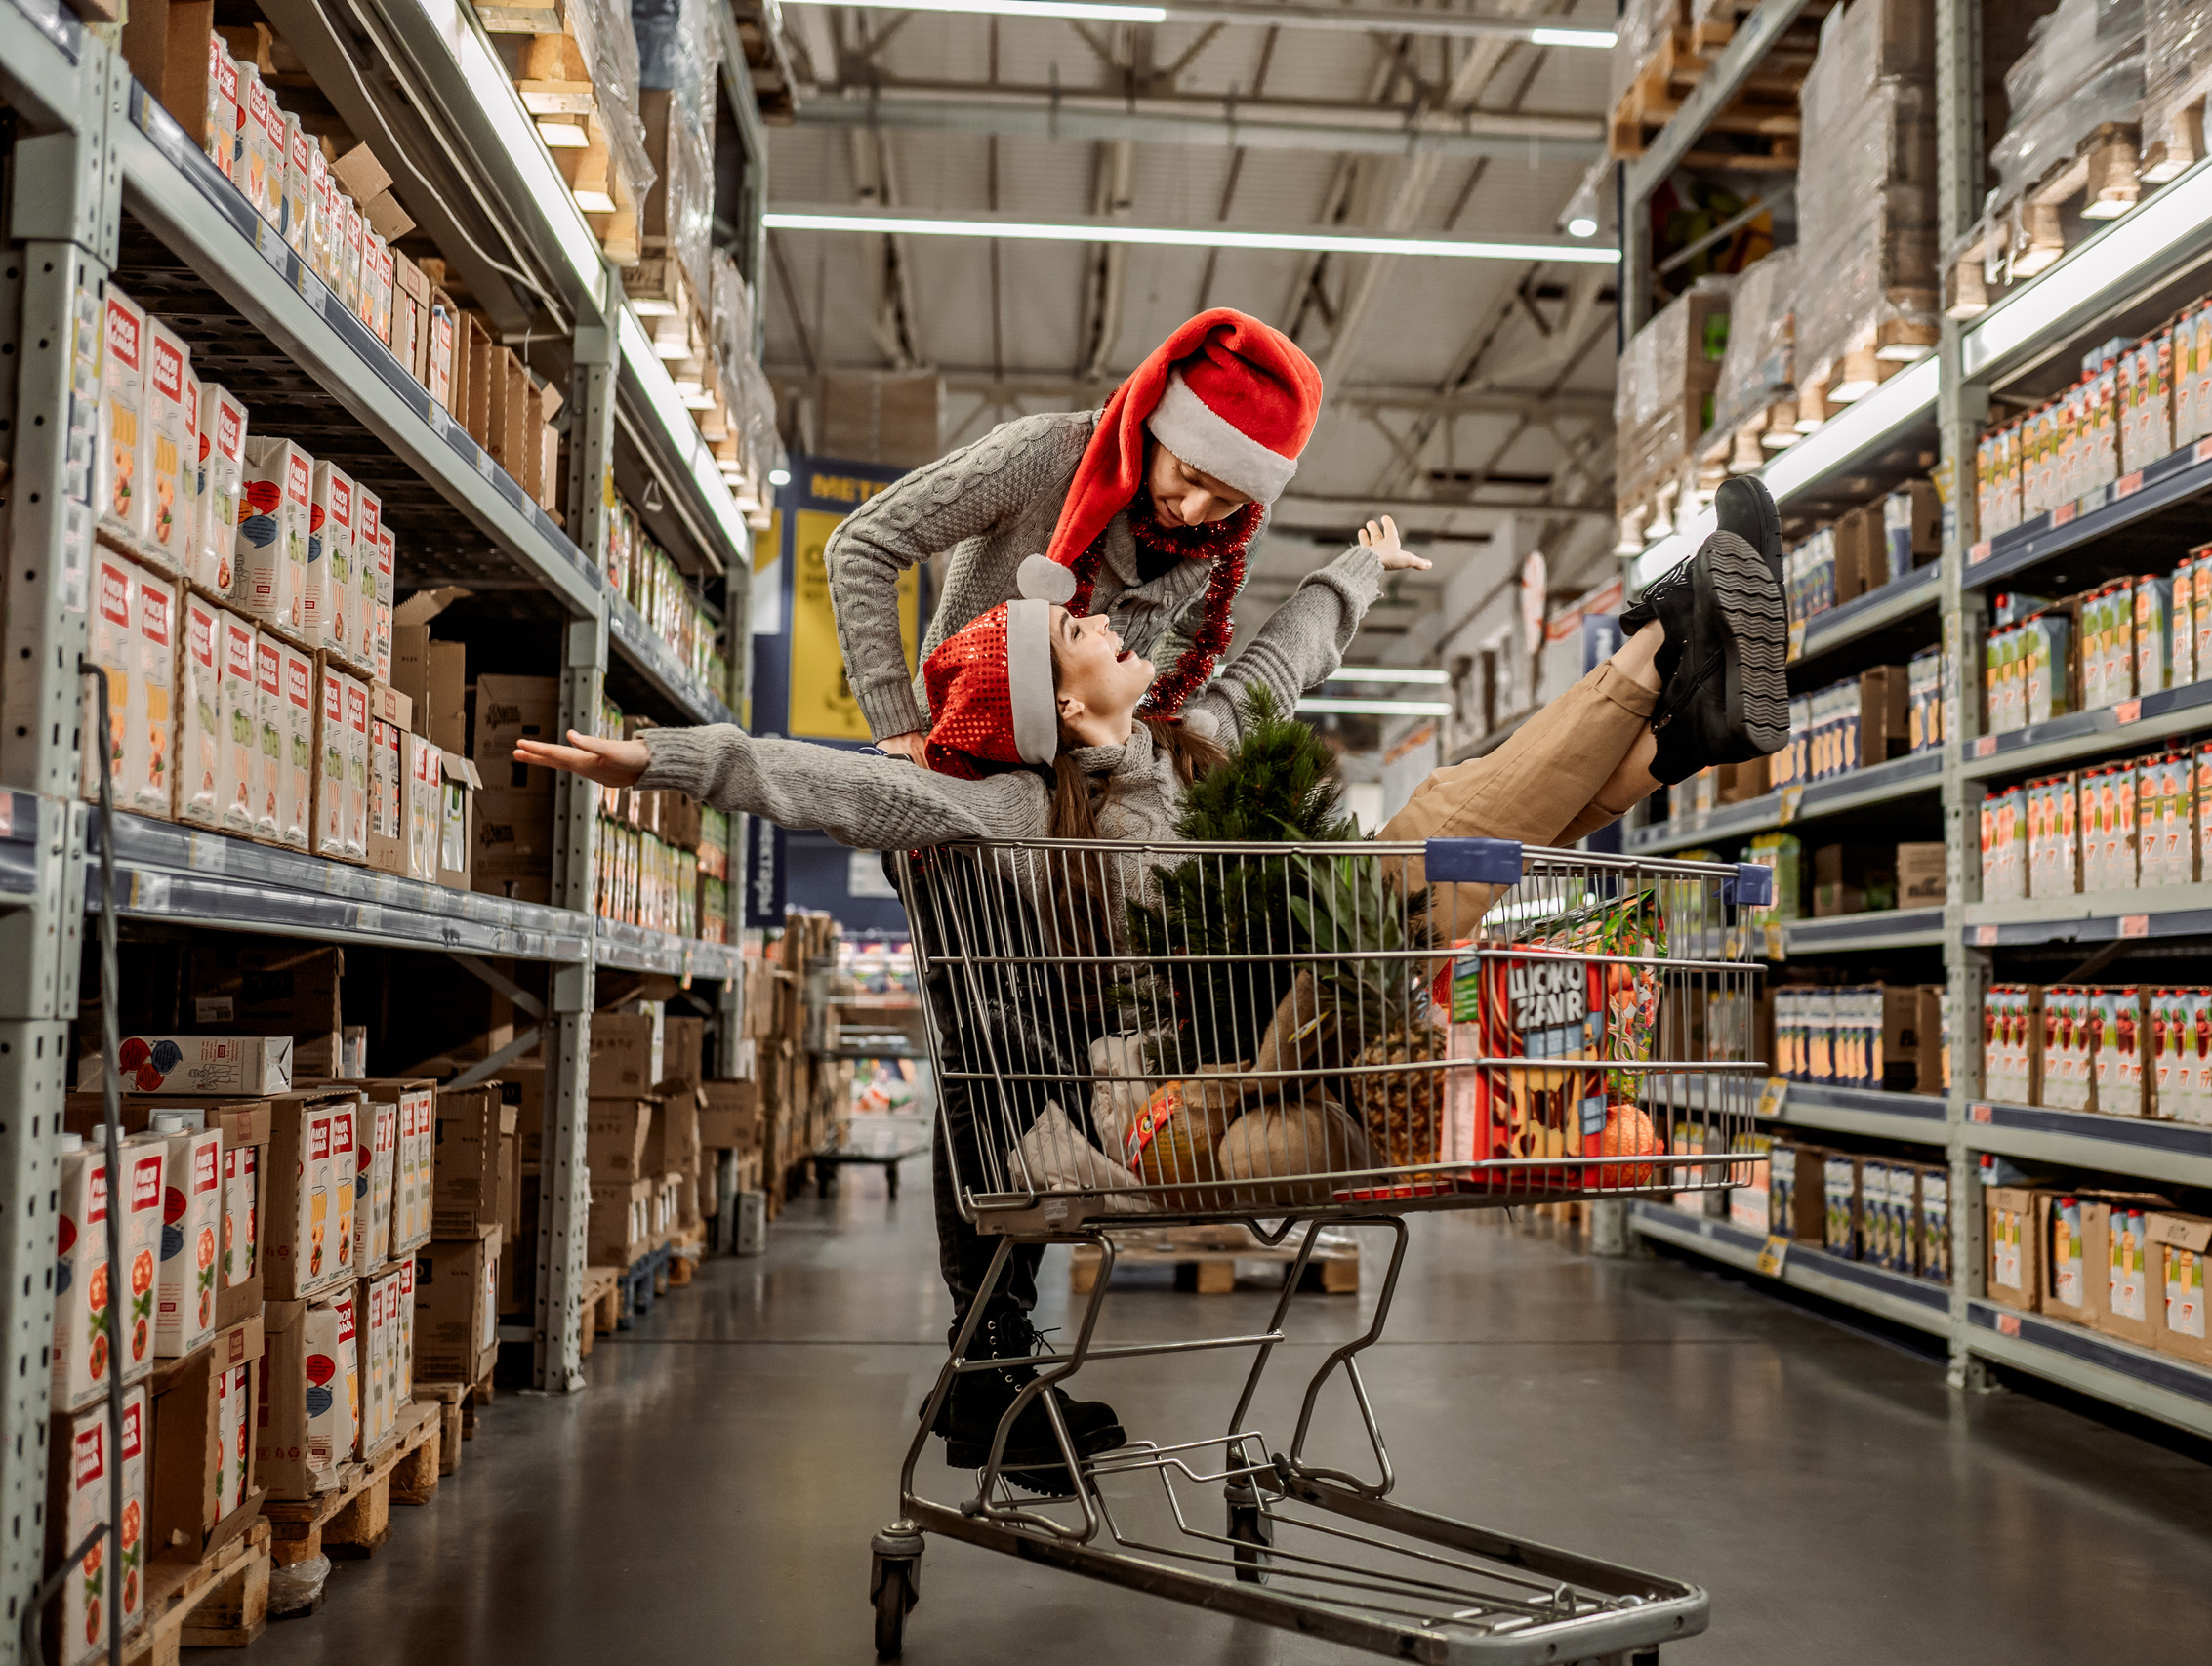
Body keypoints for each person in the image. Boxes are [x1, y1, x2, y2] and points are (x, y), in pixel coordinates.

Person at [517, 479, 1791, 1485]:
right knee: (1428, 843)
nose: (1118, 627)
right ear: (1061, 707)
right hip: (1181, 1100)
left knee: (1437, 831)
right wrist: (665, 757)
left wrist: (1360, 563)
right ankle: (1668, 655)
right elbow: (847, 783)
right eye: (1085, 632)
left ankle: (1678, 711)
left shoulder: (1195, 738)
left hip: (1288, 1039)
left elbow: (1292, 650)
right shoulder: (1016, 807)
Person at [829, 308, 1322, 768]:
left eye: (1226, 500)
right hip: (951, 767)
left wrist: (1157, 741)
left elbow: (1196, 637)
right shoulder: (1042, 456)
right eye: (1188, 475)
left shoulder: (1237, 533)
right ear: (1156, 425)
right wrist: (895, 723)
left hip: (1079, 800)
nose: (1196, 513)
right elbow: (863, 543)